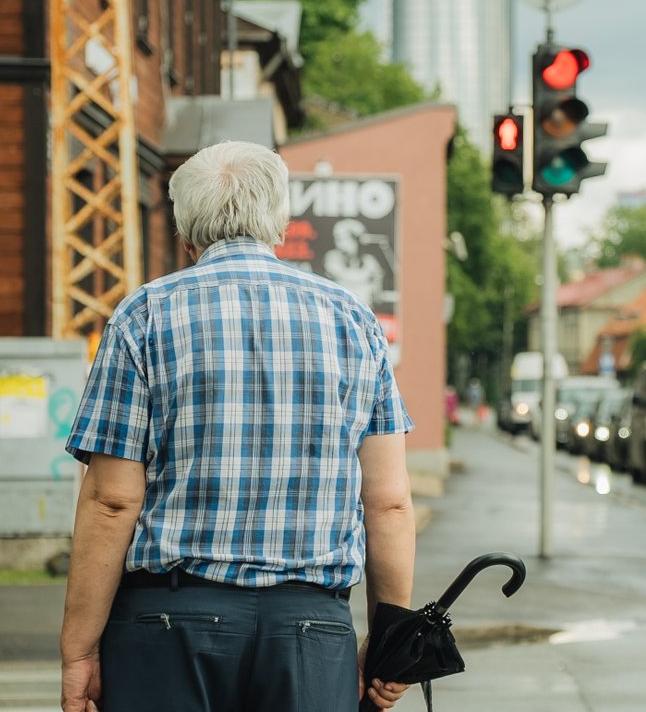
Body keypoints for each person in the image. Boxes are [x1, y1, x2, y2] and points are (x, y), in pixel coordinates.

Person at [59, 141, 416, 712]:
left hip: (166, 627)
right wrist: (389, 642)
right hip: (311, 628)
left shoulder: (143, 316)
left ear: (185, 232)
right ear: (280, 221)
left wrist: (79, 652)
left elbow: (110, 502)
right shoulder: (353, 320)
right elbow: (389, 502)